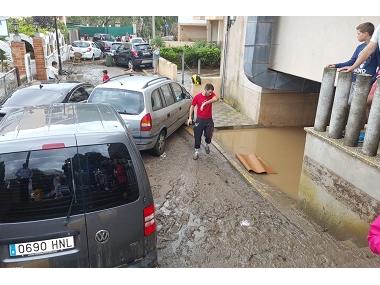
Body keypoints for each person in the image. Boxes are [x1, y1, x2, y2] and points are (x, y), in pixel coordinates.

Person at [327, 22, 379, 105]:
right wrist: (336, 65)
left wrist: (373, 80)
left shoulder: (376, 48)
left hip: (366, 82)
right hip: (354, 79)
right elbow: (352, 61)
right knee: (349, 103)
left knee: (357, 104)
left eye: (358, 33)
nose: (357, 35)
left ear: (366, 34)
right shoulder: (359, 47)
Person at [187, 83, 218, 160]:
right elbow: (192, 106)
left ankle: (207, 145)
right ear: (205, 90)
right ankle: (196, 152)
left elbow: (215, 99)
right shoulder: (197, 97)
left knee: (208, 135)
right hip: (200, 120)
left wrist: (205, 103)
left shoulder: (211, 95)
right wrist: (190, 118)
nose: (211, 93)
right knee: (197, 136)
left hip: (209, 120)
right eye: (209, 92)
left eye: (211, 92)